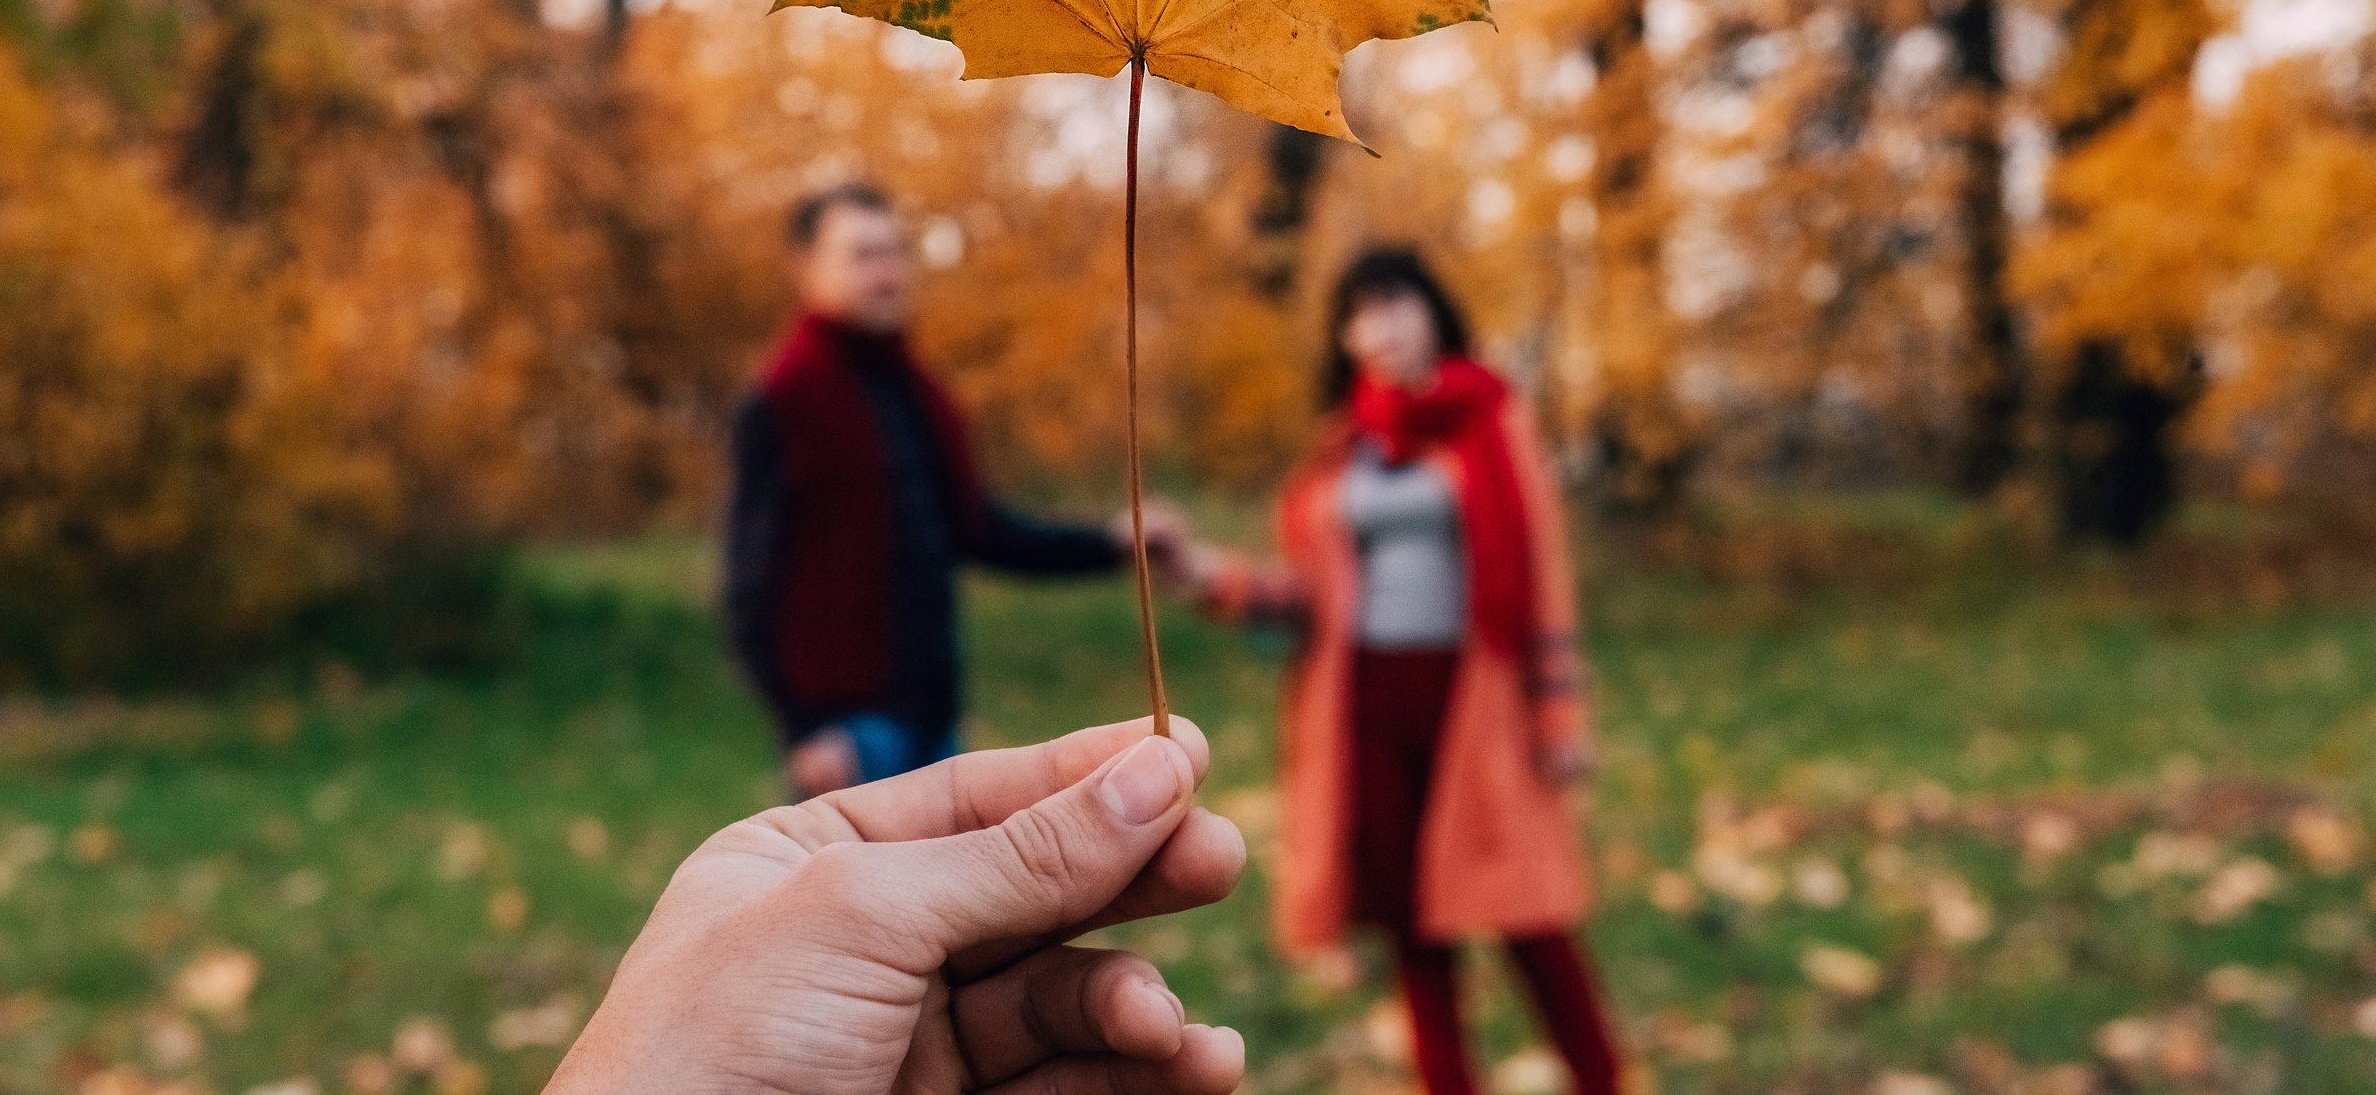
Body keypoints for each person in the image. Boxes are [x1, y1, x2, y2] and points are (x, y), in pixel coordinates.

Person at [1166, 247, 1619, 1095]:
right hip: (1366, 706)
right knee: (1416, 924)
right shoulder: (1346, 446)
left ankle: (1603, 1077)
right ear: (1344, 335)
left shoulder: (1492, 417)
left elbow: (1545, 578)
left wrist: (1559, 713)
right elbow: (1311, 595)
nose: (1378, 326)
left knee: (1531, 912)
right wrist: (1207, 575)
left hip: (1474, 702)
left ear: (1432, 312)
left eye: (1394, 303)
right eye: (1359, 312)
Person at [726, 184, 1183, 798]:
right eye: (863, 255)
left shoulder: (918, 394)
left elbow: (979, 531)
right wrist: (803, 728)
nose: (888, 274)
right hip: (851, 736)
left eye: (894, 253)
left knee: (946, 897)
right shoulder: (785, 401)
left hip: (934, 722)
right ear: (806, 270)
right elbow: (749, 584)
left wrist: (1111, 541)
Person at [544, 717, 1249, 1095]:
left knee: (949, 919)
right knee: (915, 892)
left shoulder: (934, 438)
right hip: (844, 716)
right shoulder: (794, 438)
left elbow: (978, 525)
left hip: (924, 705)